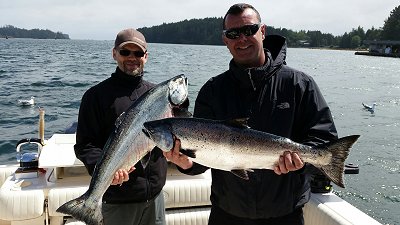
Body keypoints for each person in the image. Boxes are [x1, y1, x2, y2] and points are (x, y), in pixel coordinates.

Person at [164, 3, 338, 225]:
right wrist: (185, 162)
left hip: (285, 215)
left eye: (249, 30)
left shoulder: (299, 84)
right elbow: (203, 160)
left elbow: (325, 139)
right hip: (227, 214)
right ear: (225, 40)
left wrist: (302, 162)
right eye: (233, 33)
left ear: (262, 31)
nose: (242, 39)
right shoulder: (212, 91)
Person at [74, 28, 167, 225]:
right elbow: (85, 145)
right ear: (114, 53)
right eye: (125, 52)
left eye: (138, 53)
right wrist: (108, 170)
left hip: (156, 197)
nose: (132, 58)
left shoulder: (158, 96)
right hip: (118, 202)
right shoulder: (95, 96)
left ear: (146, 57)